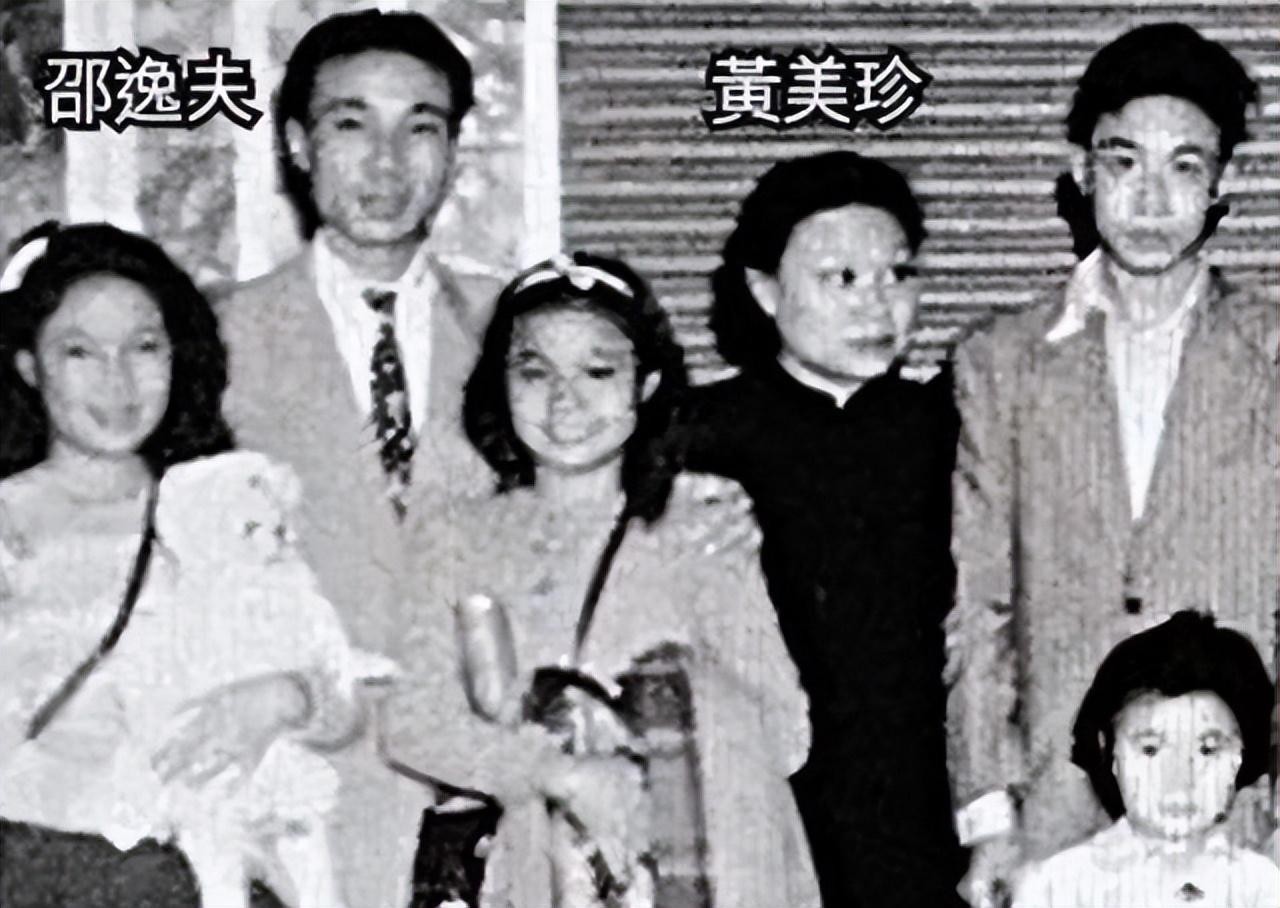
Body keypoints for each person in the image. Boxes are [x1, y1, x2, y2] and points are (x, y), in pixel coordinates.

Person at [947, 22, 1278, 906]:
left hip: (1242, 809)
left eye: (1185, 166)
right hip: (1056, 809)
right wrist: (988, 818)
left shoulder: (1272, 355)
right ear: (1081, 171)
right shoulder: (1000, 362)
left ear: (1222, 185)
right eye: (1124, 162)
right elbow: (978, 606)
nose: (1151, 198)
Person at [378, 252, 820, 908]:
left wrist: (654, 735)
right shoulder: (459, 537)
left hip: (687, 876)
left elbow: (785, 732)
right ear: (500, 384)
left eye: (598, 371)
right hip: (522, 874)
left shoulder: (697, 527)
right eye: (534, 371)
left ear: (646, 385)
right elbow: (412, 721)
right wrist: (558, 772)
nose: (565, 400)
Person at [216, 9, 503, 905]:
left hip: (491, 806)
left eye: (421, 128)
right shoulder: (209, 341)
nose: (387, 163)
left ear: (452, 151)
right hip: (290, 808)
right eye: (352, 125)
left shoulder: (523, 336)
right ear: (298, 145)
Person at [0, 223, 360, 907]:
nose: (117, 380)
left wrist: (286, 698)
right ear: (28, 365)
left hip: (196, 872)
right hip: (33, 869)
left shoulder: (223, 502)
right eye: (79, 351)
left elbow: (338, 691)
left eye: (143, 347)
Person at [676, 151, 966, 907]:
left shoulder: (957, 431)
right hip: (761, 813)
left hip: (929, 818)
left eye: (898, 275)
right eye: (842, 278)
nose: (877, 305)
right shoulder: (693, 440)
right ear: (764, 290)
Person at [1013, 610, 1279, 907]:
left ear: (1239, 757)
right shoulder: (1056, 887)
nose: (1179, 779)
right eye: (1150, 750)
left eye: (1207, 750)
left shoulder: (1261, 886)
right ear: (1110, 752)